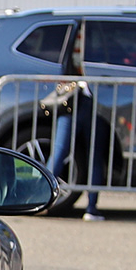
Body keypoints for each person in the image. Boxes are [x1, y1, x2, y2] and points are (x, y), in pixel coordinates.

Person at [44, 26, 106, 220]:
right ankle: (92, 208)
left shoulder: (69, 35)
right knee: (93, 155)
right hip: (89, 100)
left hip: (71, 99)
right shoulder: (95, 39)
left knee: (60, 150)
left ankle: (40, 199)